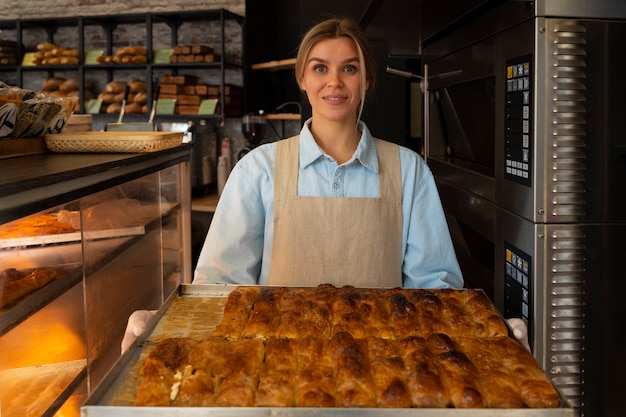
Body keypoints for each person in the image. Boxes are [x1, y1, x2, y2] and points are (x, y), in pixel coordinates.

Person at [122, 17, 529, 352]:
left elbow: (436, 292)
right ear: (302, 78)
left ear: (366, 80)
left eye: (349, 68)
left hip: (384, 369)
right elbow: (217, 289)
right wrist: (161, 331)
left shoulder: (409, 171)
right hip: (275, 371)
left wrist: (489, 342)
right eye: (320, 68)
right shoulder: (257, 171)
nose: (334, 82)